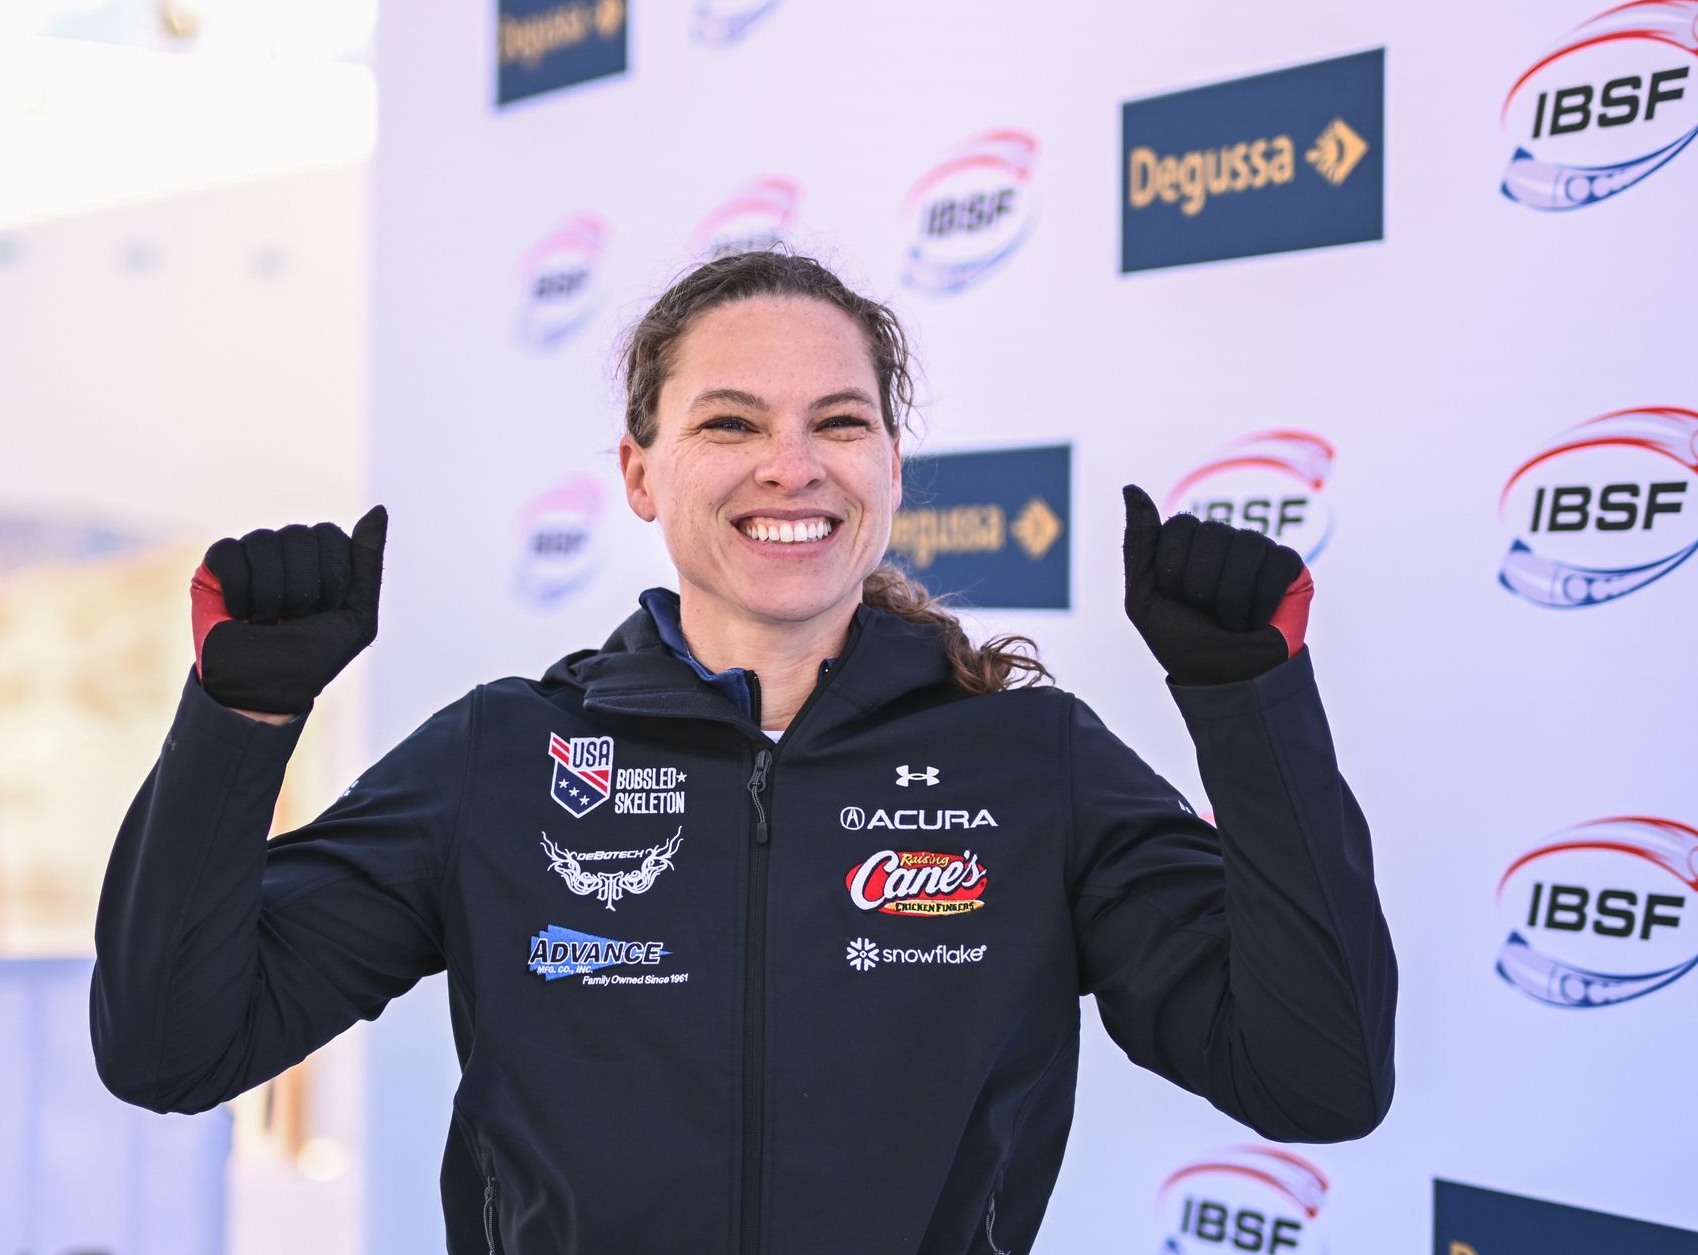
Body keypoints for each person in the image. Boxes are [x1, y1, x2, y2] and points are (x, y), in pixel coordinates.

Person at [90, 250, 1396, 1254]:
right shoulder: (502, 756)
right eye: (729, 423)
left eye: (840, 422)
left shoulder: (1031, 763)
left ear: (892, 467)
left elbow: (1317, 1080)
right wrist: (241, 720)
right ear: (639, 472)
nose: (792, 466)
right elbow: (171, 1049)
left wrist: (1248, 704)